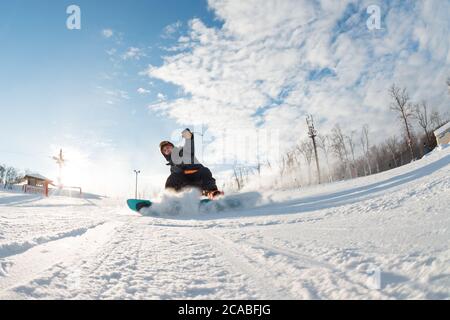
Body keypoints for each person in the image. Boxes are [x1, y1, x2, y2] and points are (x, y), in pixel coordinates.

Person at [159, 128, 223, 199]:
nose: (167, 150)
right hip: (187, 185)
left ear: (173, 147)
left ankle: (212, 192)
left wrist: (188, 136)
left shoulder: (184, 151)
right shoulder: (172, 167)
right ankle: (170, 199)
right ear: (164, 154)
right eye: (164, 150)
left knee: (205, 171)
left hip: (197, 177)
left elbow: (189, 145)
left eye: (168, 147)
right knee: (172, 178)